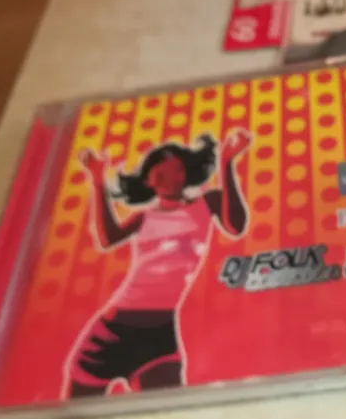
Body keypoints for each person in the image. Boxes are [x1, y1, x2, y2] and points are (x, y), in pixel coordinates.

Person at [61, 129, 252, 399]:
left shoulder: (206, 203)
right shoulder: (144, 217)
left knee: (169, 407)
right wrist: (97, 180)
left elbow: (235, 226)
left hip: (160, 334)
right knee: (77, 411)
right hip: (112, 333)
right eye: (160, 175)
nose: (169, 179)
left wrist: (226, 162)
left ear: (185, 174)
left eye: (176, 171)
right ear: (148, 181)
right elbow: (106, 238)